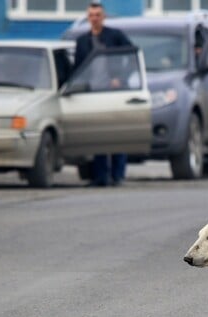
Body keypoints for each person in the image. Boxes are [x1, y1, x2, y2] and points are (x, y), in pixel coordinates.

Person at [74, 2, 133, 187]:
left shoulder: (114, 36)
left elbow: (131, 56)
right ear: (87, 17)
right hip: (93, 93)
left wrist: (120, 78)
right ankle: (100, 177)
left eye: (98, 15)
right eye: (91, 15)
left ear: (103, 16)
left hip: (114, 92)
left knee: (118, 134)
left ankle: (118, 175)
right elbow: (78, 68)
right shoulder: (82, 41)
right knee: (98, 136)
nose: (95, 18)